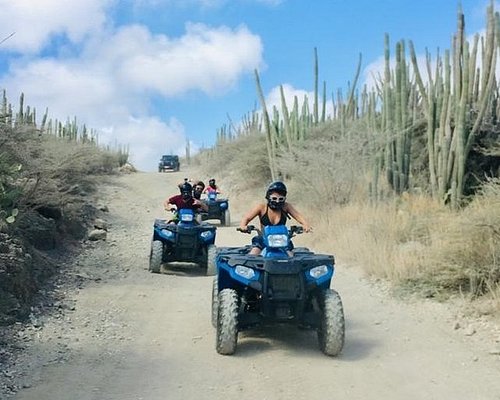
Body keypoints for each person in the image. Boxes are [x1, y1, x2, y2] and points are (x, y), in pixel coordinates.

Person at [239, 181, 312, 255]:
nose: (277, 201)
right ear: (268, 197)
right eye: (274, 198)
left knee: (290, 256)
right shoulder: (262, 207)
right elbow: (246, 217)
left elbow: (298, 216)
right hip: (264, 239)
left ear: (284, 199)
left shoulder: (286, 207)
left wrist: (306, 225)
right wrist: (243, 226)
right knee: (254, 254)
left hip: (282, 240)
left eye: (280, 199)